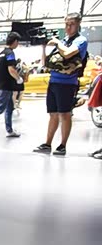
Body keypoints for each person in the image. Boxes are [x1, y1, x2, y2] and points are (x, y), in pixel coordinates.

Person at [34, 13, 88, 156]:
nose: (68, 28)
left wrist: (57, 42)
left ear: (78, 24)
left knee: (65, 114)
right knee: (53, 114)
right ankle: (47, 143)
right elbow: (46, 63)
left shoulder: (80, 40)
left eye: (72, 24)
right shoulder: (63, 41)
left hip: (67, 83)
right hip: (53, 81)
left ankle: (62, 145)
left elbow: (68, 54)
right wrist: (44, 47)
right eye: (66, 24)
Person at [0, 32, 22, 138]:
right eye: (18, 42)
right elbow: (11, 69)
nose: (18, 44)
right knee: (0, 108)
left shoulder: (1, 53)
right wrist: (18, 78)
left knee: (9, 108)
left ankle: (9, 130)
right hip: (6, 86)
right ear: (15, 41)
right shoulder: (10, 53)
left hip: (1, 86)